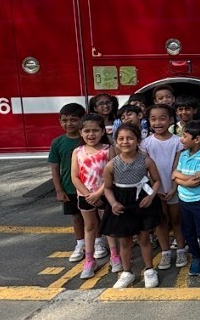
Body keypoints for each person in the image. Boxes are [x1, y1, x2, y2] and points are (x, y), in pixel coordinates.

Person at [101, 123, 165, 288]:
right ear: (115, 141)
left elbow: (157, 181)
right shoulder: (111, 165)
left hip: (142, 200)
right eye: (121, 138)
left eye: (130, 138)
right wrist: (113, 203)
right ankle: (127, 272)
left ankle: (149, 270)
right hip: (122, 202)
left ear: (138, 140)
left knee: (144, 238)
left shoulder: (146, 160)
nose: (125, 142)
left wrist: (151, 197)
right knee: (125, 241)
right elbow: (107, 188)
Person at [70, 113, 119, 278]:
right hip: (85, 196)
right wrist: (87, 195)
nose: (91, 134)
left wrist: (98, 193)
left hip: (105, 193)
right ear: (81, 133)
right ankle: (90, 259)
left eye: (96, 130)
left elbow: (112, 174)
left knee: (109, 227)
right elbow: (74, 176)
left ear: (103, 131)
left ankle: (114, 255)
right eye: (87, 131)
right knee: (90, 227)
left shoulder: (108, 149)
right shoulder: (78, 151)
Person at [141, 104, 187, 270]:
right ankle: (165, 252)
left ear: (170, 120)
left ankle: (181, 249)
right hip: (155, 191)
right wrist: (154, 191)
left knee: (176, 220)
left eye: (162, 118)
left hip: (173, 188)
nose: (157, 122)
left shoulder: (178, 142)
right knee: (161, 222)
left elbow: (178, 167)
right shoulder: (145, 144)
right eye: (153, 119)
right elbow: (145, 171)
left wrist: (174, 188)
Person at [173, 120, 200, 277]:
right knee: (188, 232)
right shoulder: (184, 154)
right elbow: (174, 175)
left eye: (184, 136)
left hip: (199, 201)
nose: (181, 139)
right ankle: (196, 257)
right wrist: (187, 179)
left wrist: (182, 179)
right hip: (183, 200)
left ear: (197, 139)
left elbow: (197, 181)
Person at [47, 103, 86, 263]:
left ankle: (98, 243)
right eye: (65, 120)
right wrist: (58, 189)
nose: (69, 124)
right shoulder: (57, 143)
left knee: (94, 217)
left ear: (82, 120)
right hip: (69, 187)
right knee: (76, 217)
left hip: (89, 187)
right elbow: (55, 168)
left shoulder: (88, 138)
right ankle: (80, 244)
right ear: (60, 121)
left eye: (73, 120)